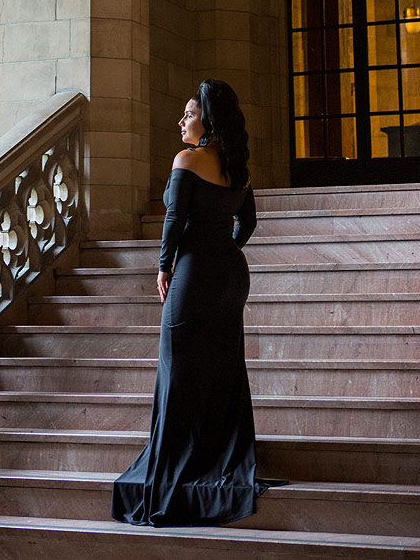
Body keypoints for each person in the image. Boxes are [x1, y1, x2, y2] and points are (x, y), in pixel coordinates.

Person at [111, 77, 268, 527]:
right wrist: (223, 249)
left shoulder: (188, 159)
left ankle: (174, 463)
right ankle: (215, 455)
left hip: (195, 274)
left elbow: (175, 219)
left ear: (208, 119)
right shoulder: (237, 167)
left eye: (190, 113)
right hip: (230, 274)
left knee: (177, 368)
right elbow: (248, 224)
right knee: (221, 368)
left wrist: (165, 267)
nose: (182, 120)